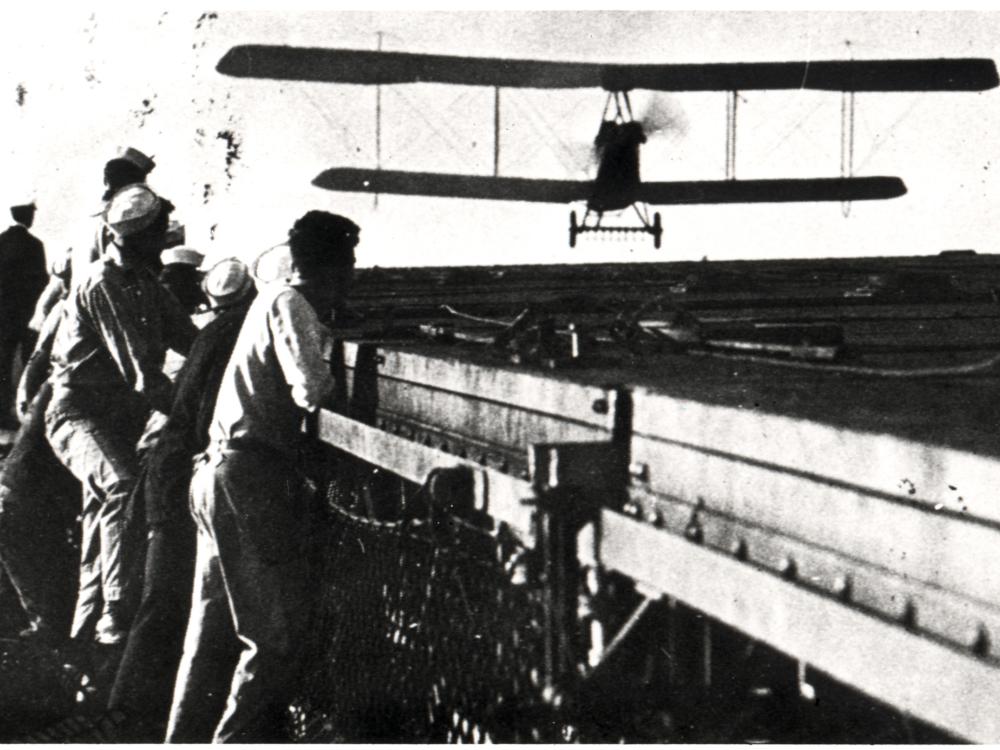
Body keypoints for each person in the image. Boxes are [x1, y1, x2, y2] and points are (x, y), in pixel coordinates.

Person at [166, 211, 359, 743]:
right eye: (350, 265)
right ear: (338, 267)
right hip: (247, 480)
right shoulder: (290, 302)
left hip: (215, 473)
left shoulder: (267, 299)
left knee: (207, 640)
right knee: (272, 640)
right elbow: (311, 390)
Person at [105, 258, 256, 741]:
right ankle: (124, 720)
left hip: (169, 473)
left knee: (164, 601)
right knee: (163, 601)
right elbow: (205, 415)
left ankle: (134, 714)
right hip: (176, 478)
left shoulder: (213, 332)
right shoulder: (233, 337)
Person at [45, 184, 197, 647]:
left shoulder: (145, 282)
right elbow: (143, 376)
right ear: (142, 236)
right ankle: (115, 612)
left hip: (114, 418)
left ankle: (83, 640)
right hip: (77, 412)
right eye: (160, 231)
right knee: (122, 486)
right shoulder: (103, 283)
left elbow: (190, 341)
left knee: (100, 524)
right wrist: (197, 420)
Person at [0, 256, 80, 643]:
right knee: (50, 622)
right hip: (25, 506)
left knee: (37, 613)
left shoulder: (48, 384)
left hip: (13, 496)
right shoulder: (74, 392)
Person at [0, 199, 47, 428]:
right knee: (30, 362)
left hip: (3, 314)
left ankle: (2, 414)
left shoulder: (1, 241)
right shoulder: (34, 244)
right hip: (27, 316)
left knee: (3, 362)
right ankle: (28, 412)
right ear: (27, 216)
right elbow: (42, 282)